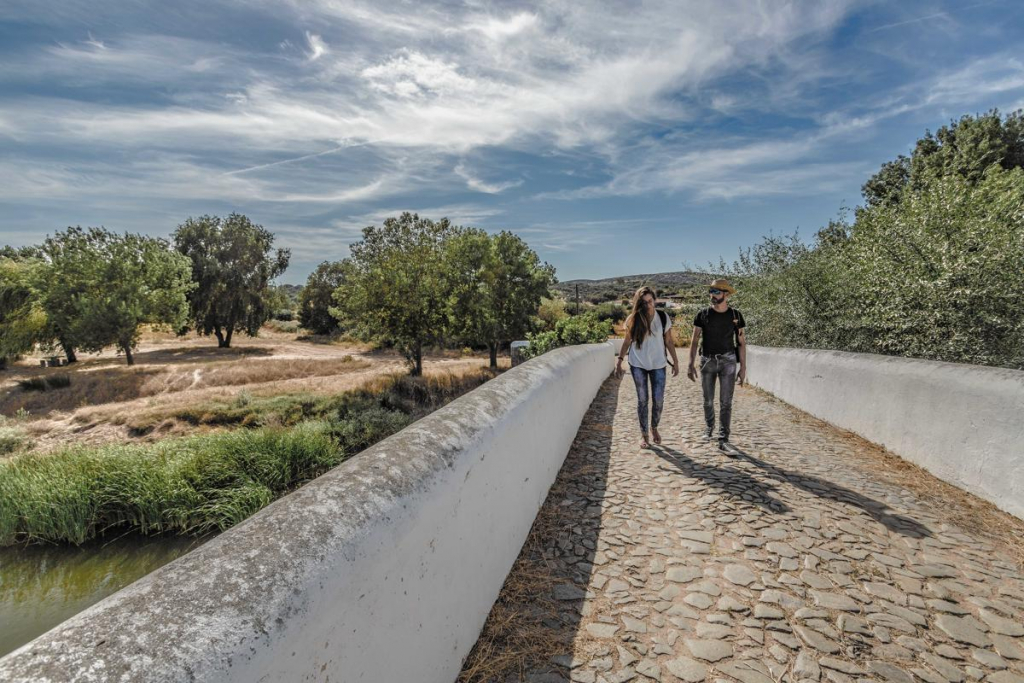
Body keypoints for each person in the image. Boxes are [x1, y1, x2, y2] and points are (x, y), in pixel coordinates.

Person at [615, 286, 680, 449]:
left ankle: (654, 427)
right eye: (644, 303)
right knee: (643, 400)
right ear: (639, 304)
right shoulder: (633, 319)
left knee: (658, 400)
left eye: (650, 301)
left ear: (654, 300)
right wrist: (619, 360)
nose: (648, 305)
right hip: (638, 364)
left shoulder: (663, 317)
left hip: (659, 364)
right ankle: (644, 435)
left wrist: (676, 361)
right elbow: (627, 341)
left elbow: (669, 341)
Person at [686, 279, 746, 453]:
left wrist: (743, 368)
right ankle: (709, 426)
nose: (712, 295)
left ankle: (723, 438)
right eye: (711, 291)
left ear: (726, 294)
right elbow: (694, 340)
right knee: (708, 400)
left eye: (716, 292)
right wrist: (690, 363)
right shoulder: (702, 314)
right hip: (707, 361)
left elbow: (741, 342)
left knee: (726, 402)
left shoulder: (736, 315)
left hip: (728, 361)